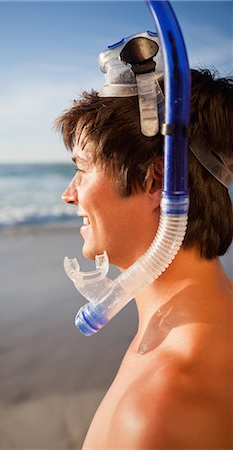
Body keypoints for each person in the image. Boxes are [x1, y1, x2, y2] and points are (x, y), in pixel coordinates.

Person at [55, 68, 233, 449]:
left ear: (156, 181)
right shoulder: (200, 328)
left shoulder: (160, 411)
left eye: (83, 169)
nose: (69, 194)